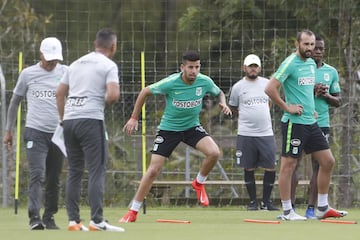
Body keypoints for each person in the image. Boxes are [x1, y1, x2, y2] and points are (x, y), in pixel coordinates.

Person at [119, 50, 232, 223]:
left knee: (214, 152)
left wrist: (222, 102)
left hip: (192, 127)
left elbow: (219, 92)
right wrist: (134, 118)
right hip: (169, 129)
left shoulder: (204, 81)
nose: (194, 71)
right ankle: (133, 211)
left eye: (197, 67)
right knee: (154, 169)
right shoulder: (171, 82)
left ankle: (199, 183)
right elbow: (144, 92)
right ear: (182, 67)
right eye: (190, 67)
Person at [264, 29, 347, 220]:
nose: (310, 48)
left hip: (312, 121)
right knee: (289, 165)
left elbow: (305, 90)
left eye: (312, 44)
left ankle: (323, 208)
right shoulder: (290, 63)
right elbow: (269, 88)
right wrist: (287, 107)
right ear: (297, 44)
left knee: (328, 161)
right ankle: (287, 211)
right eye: (306, 44)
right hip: (295, 123)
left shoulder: (310, 63)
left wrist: (311, 108)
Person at [56, 28, 124, 232]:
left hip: (69, 121)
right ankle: (97, 220)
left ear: (96, 43)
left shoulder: (75, 64)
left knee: (74, 171)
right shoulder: (108, 65)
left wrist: (63, 119)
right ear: (113, 46)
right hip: (91, 120)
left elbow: (59, 93)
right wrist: (95, 102)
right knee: (96, 169)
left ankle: (73, 221)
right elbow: (113, 96)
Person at [3, 37, 67, 230]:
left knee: (54, 178)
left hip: (58, 133)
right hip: (35, 132)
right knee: (37, 174)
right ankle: (34, 218)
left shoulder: (66, 72)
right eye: (49, 58)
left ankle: (49, 216)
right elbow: (15, 102)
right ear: (41, 54)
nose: (52, 62)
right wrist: (8, 130)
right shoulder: (28, 74)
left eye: (55, 59)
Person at [290, 35, 341, 219]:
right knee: (293, 164)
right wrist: (311, 92)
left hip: (322, 123)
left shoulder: (331, 72)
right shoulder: (300, 68)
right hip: (300, 121)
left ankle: (313, 208)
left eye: (321, 48)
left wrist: (326, 95)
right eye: (314, 47)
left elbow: (338, 101)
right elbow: (291, 92)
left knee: (319, 165)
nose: (318, 51)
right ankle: (291, 208)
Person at [228, 54, 279, 211]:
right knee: (248, 167)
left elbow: (271, 101)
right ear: (244, 67)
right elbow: (233, 107)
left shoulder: (267, 84)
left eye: (255, 66)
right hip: (246, 133)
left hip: (266, 133)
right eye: (250, 66)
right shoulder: (237, 87)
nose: (253, 69)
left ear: (260, 68)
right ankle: (252, 202)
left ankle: (266, 202)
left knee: (270, 166)